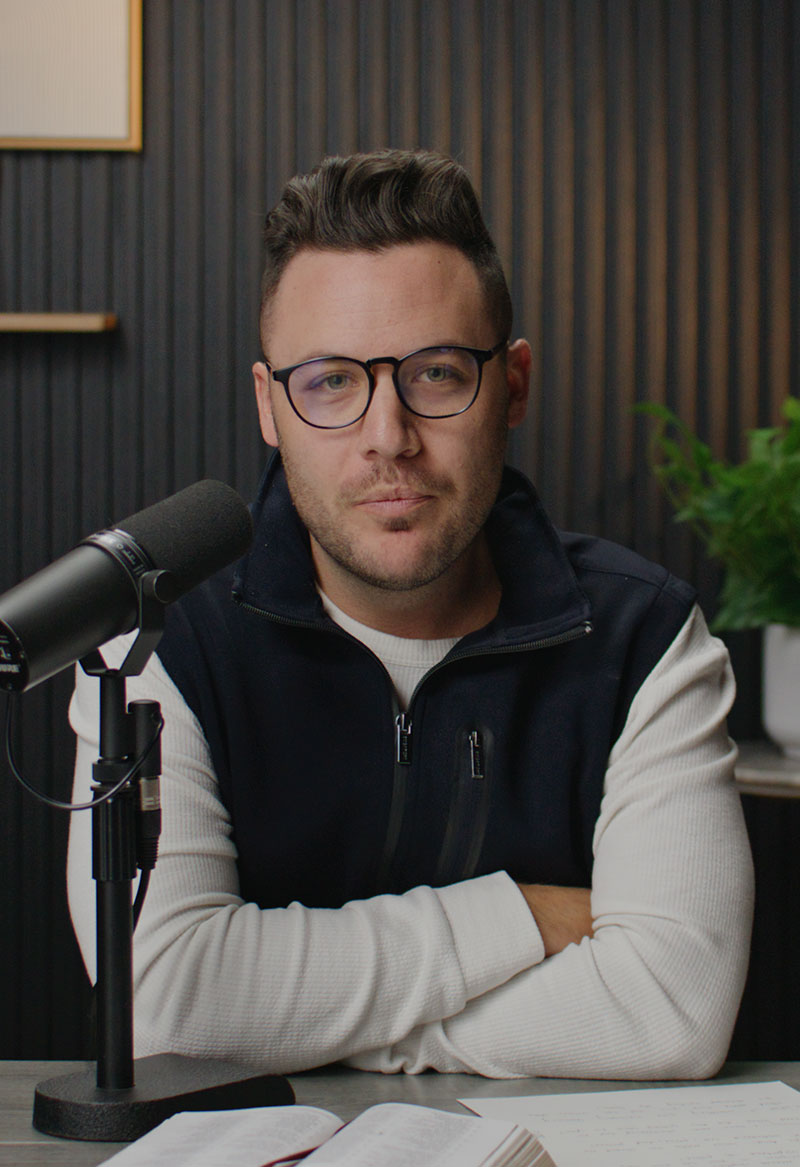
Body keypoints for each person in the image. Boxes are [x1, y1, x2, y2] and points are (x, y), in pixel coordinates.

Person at [68, 148, 754, 1079]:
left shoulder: (646, 640)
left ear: (513, 386)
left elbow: (673, 1012)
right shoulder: (160, 645)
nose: (387, 438)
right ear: (270, 406)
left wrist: (316, 1027)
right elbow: (161, 1001)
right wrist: (522, 916)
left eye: (435, 373)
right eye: (331, 381)